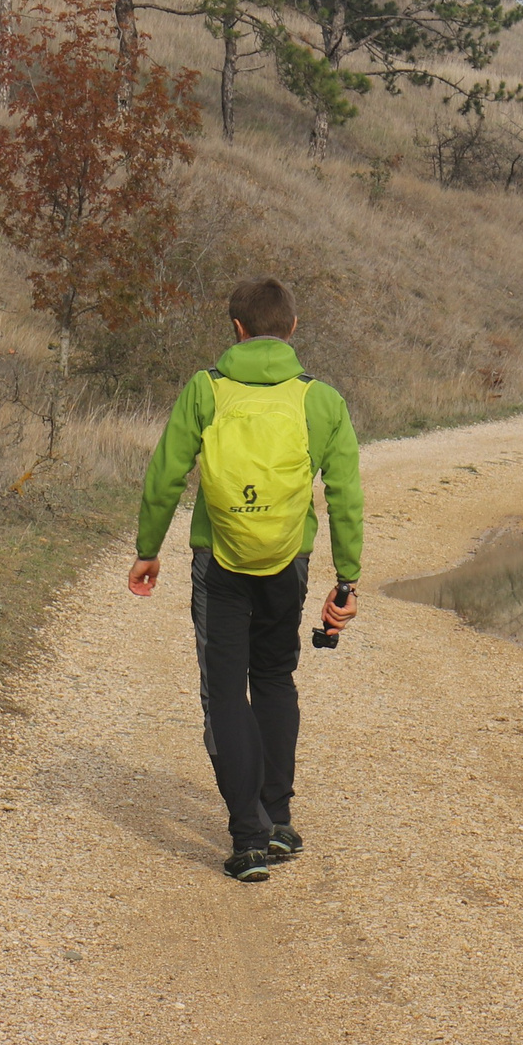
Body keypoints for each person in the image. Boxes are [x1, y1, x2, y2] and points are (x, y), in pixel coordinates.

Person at [128, 276, 362, 882]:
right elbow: (345, 497)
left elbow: (165, 475)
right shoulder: (322, 401)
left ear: (236, 329)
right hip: (290, 559)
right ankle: (277, 819)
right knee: (277, 677)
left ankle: (249, 839)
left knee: (225, 691)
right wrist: (348, 578)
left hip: (218, 559)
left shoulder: (205, 390)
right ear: (292, 330)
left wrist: (148, 548)